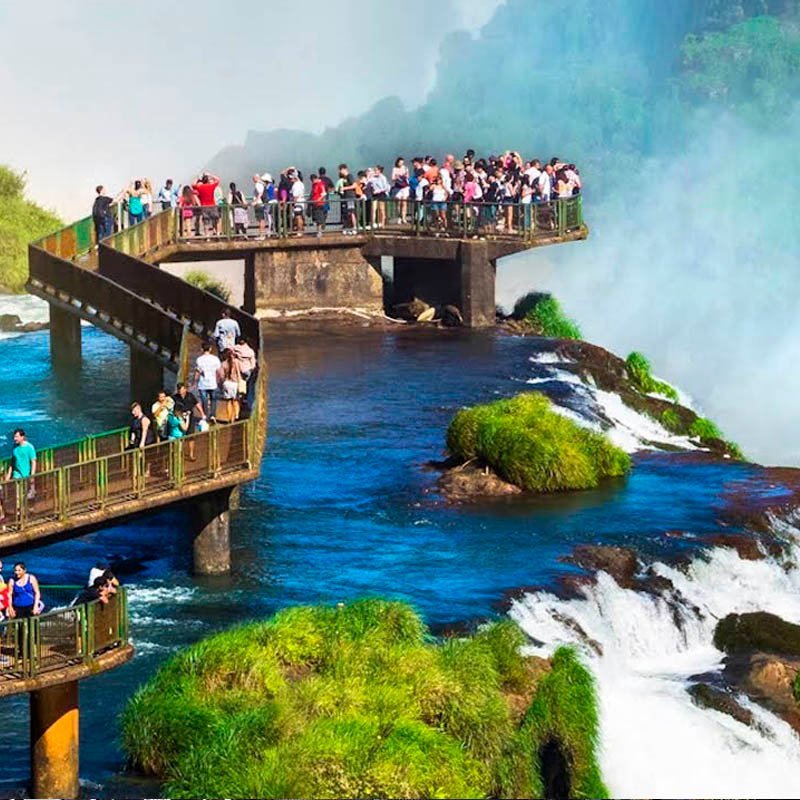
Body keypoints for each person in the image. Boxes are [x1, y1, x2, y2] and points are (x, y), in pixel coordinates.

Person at [0, 429, 37, 522]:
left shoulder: (29, 447)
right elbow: (13, 462)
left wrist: (32, 475)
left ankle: (28, 510)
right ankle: (19, 513)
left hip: (26, 475)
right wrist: (9, 475)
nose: (14, 438)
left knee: (27, 495)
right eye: (14, 436)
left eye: (16, 436)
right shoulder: (15, 447)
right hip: (17, 475)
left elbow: (33, 461)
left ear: (22, 437)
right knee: (17, 495)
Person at [193, 342, 221, 420]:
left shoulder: (199, 359)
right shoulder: (215, 359)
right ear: (210, 349)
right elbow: (219, 372)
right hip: (213, 383)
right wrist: (220, 380)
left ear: (202, 349)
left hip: (203, 383)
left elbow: (197, 372)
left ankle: (205, 415)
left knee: (204, 400)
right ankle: (213, 415)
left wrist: (194, 383)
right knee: (213, 400)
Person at [217, 349, 241, 422]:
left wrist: (221, 385)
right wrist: (240, 381)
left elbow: (221, 376)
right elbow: (238, 373)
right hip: (235, 383)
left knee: (228, 401)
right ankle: (236, 415)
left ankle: (230, 418)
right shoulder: (236, 362)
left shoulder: (223, 364)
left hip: (227, 383)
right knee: (236, 400)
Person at [391, 157, 410, 224]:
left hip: (404, 187)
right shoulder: (394, 169)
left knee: (404, 202)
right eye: (400, 162)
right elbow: (392, 178)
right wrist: (397, 177)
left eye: (402, 163)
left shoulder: (405, 168)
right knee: (398, 203)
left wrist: (404, 175)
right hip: (398, 187)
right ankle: (399, 217)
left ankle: (404, 218)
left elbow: (407, 177)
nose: (401, 164)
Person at [290, 171, 306, 236]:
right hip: (301, 202)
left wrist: (293, 203)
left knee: (298, 217)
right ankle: (300, 230)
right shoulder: (301, 184)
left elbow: (295, 196)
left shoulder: (296, 185)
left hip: (298, 203)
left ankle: (299, 231)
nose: (291, 179)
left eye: (292, 178)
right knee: (299, 216)